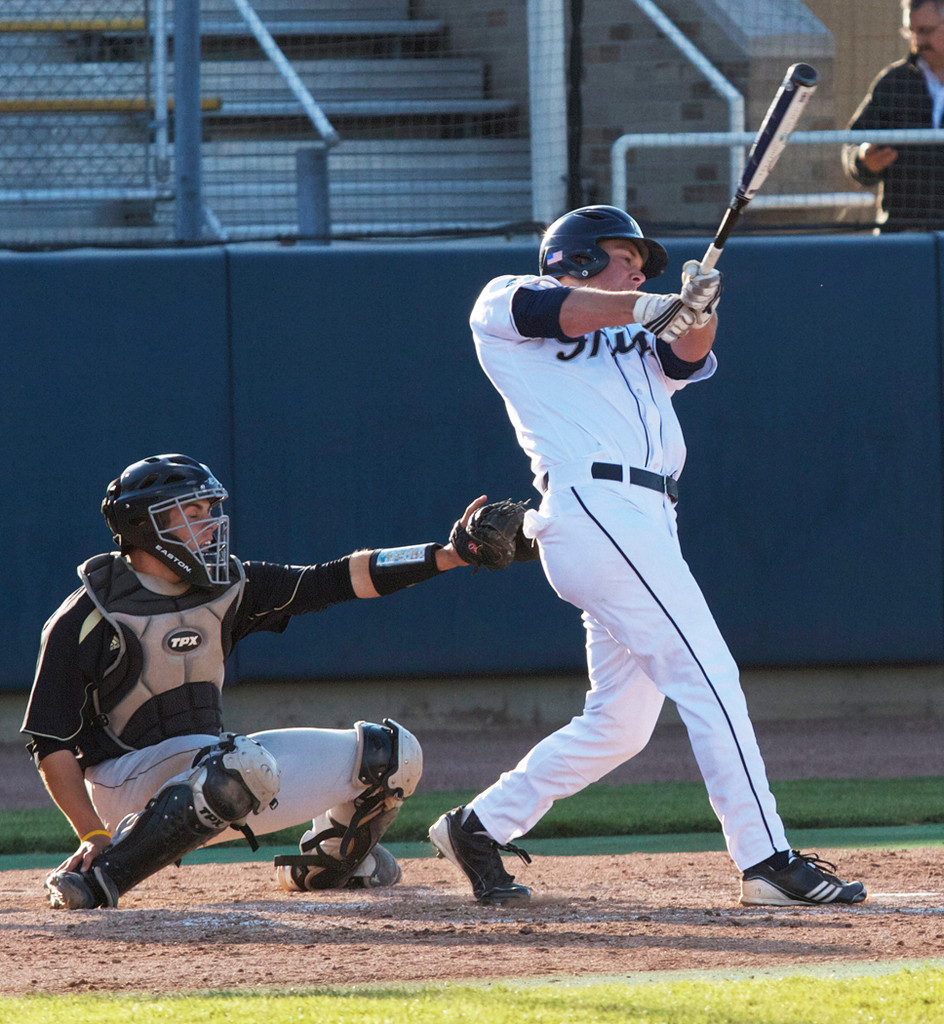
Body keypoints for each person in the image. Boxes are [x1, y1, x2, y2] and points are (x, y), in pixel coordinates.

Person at [428, 205, 867, 908]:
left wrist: (699, 307)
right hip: (595, 507)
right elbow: (566, 313)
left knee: (620, 726)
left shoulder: (635, 332)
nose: (639, 266)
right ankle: (767, 860)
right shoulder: (505, 302)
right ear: (573, 256)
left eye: (643, 262)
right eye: (624, 253)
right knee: (708, 674)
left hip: (645, 518)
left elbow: (685, 355)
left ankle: (479, 826)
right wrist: (654, 301)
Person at [23, 452, 509, 910]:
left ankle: (329, 865)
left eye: (210, 509)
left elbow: (337, 579)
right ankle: (101, 874)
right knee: (241, 764)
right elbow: (50, 744)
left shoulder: (230, 586)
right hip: (124, 788)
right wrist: (92, 834)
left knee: (391, 754)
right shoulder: (87, 615)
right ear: (145, 525)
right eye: (193, 511)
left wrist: (447, 555)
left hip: (220, 775)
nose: (211, 524)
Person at [841, 0, 944, 231]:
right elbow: (853, 144)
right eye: (911, 31)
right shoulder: (893, 83)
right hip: (903, 233)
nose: (917, 41)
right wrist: (864, 159)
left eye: (925, 31)